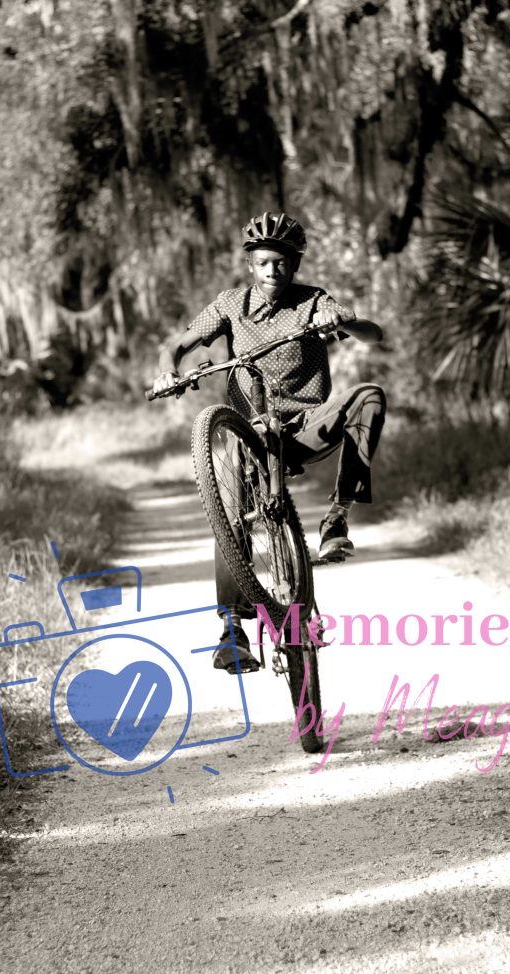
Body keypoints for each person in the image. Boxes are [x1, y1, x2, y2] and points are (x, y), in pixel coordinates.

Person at [153, 211, 386, 672]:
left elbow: (372, 335)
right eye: (263, 263)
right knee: (231, 518)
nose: (272, 271)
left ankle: (337, 518)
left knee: (370, 397)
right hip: (250, 432)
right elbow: (176, 345)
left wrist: (345, 319)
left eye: (281, 263)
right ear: (250, 265)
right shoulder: (229, 305)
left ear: (294, 265)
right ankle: (231, 630)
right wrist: (168, 369)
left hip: (303, 426)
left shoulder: (313, 302)